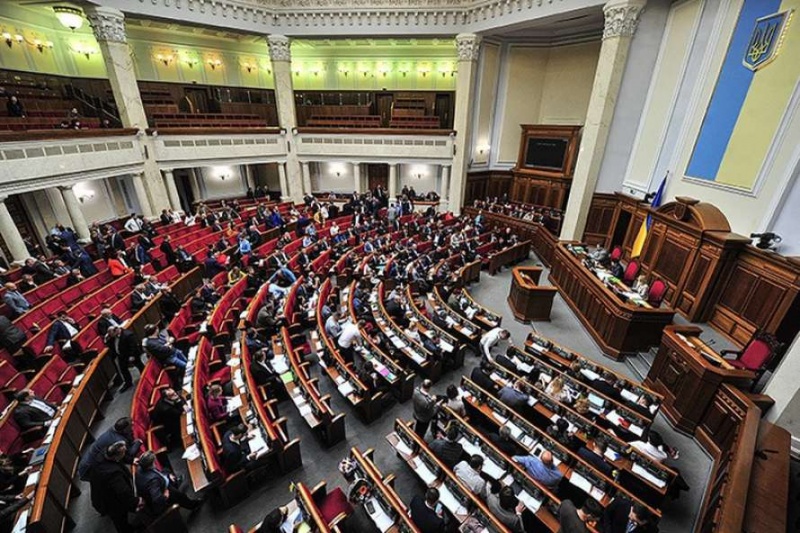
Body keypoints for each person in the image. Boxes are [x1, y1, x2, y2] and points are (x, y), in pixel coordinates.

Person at [89, 442, 143, 533]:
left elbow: (120, 457)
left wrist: (131, 460)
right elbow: (123, 492)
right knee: (120, 519)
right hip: (109, 500)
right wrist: (136, 502)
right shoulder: (113, 474)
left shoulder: (105, 452)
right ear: (116, 457)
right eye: (123, 454)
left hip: (101, 492)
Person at [135, 451, 201, 516]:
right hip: (163, 490)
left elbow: (156, 473)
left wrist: (167, 476)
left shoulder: (140, 468)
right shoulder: (153, 482)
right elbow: (157, 500)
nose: (154, 463)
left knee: (166, 470)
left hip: (161, 482)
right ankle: (193, 505)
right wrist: (165, 496)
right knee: (180, 496)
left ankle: (175, 482)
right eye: (153, 462)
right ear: (149, 466)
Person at [78, 417, 142, 481]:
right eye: (131, 426)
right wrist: (139, 442)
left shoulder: (114, 429)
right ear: (125, 430)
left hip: (91, 461)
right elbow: (130, 453)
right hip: (88, 468)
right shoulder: (118, 440)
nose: (133, 426)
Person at [104, 326, 145, 391]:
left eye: (111, 334)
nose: (111, 336)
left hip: (131, 355)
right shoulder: (113, 337)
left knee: (139, 365)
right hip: (122, 356)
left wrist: (132, 355)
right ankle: (128, 383)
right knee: (123, 369)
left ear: (116, 330)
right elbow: (110, 345)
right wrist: (106, 339)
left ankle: (145, 377)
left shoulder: (128, 334)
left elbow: (133, 346)